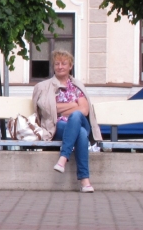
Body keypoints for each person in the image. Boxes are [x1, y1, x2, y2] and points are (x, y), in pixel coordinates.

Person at [32, 49, 100, 193]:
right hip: (57, 126)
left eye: (64, 63)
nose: (60, 66)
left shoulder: (77, 86)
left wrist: (63, 109)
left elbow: (84, 110)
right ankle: (85, 181)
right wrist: (73, 105)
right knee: (81, 133)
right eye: (57, 64)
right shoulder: (44, 87)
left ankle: (63, 158)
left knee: (76, 116)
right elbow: (48, 110)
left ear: (70, 66)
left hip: (80, 121)